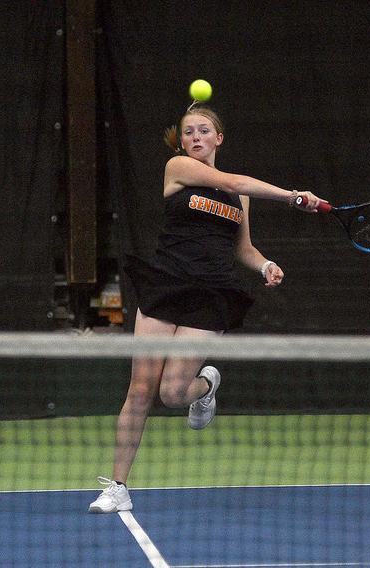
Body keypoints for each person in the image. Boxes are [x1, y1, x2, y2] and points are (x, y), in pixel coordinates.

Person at [89, 104, 324, 513]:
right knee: (141, 389)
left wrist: (265, 264)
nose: (195, 137)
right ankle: (119, 487)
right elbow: (231, 178)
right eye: (188, 132)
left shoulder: (239, 197)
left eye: (204, 131)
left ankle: (206, 385)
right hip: (166, 285)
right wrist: (291, 196)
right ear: (181, 143)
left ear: (219, 138)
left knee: (174, 393)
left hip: (212, 294)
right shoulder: (178, 168)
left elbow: (243, 249)